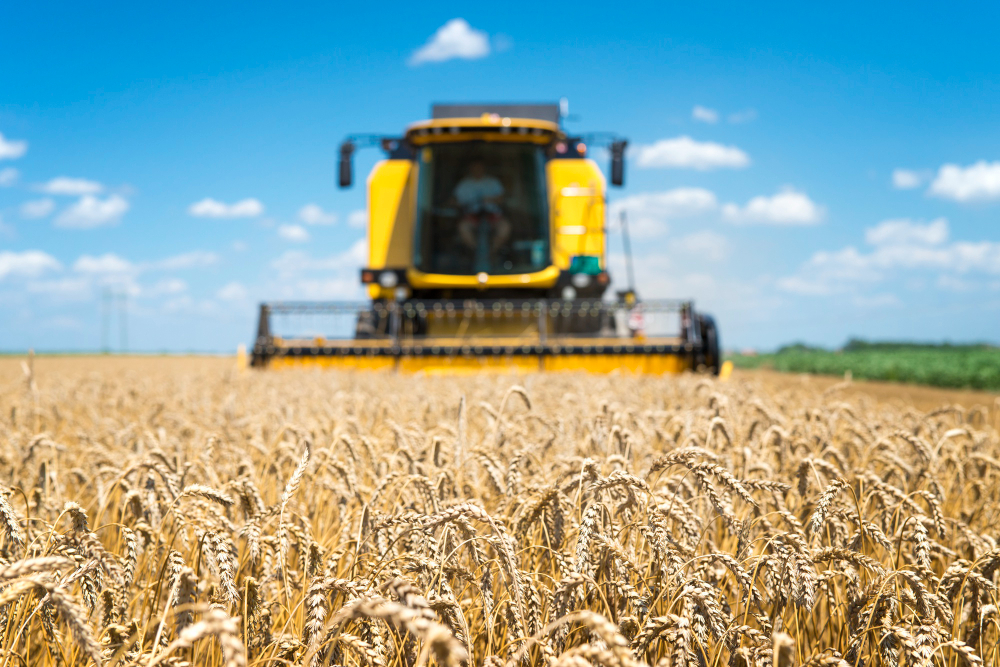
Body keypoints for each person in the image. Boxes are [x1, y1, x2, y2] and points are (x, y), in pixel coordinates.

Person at [452, 159, 511, 254]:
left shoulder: (493, 182)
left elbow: (502, 199)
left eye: (479, 168)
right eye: (474, 168)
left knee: (505, 227)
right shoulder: (464, 184)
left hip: (492, 215)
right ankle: (477, 252)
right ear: (470, 169)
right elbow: (455, 201)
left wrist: (490, 199)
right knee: (463, 227)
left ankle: (492, 252)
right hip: (472, 216)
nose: (477, 170)